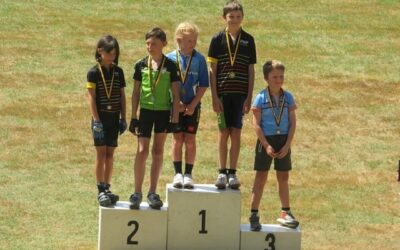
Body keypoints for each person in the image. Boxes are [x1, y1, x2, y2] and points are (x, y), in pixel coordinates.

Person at [129, 27, 180, 209]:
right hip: (145, 112)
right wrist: (133, 117)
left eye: (154, 44)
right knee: (142, 150)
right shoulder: (141, 64)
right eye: (148, 43)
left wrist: (174, 119)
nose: (150, 47)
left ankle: (152, 191)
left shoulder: (171, 65)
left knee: (157, 151)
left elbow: (175, 94)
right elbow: (135, 93)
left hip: (163, 112)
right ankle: (136, 192)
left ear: (164, 44)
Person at [207, 0, 256, 189]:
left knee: (236, 132)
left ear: (242, 17)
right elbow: (213, 69)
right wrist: (214, 96)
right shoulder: (217, 39)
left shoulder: (249, 40)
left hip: (240, 94)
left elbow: (251, 70)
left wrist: (249, 96)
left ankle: (232, 173)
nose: (234, 20)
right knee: (223, 132)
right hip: (223, 93)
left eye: (238, 17)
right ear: (224, 18)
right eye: (231, 17)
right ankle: (221, 172)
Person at [249, 60, 299, 231]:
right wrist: (265, 144)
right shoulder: (260, 98)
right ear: (266, 78)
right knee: (261, 177)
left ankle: (286, 212)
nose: (278, 80)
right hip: (266, 140)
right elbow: (256, 123)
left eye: (281, 76)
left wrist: (287, 145)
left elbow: (293, 123)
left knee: (283, 177)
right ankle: (254, 214)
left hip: (283, 140)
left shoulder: (288, 97)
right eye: (275, 76)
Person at [166, 22, 209, 189]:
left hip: (193, 106)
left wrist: (193, 104)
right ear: (178, 40)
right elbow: (166, 84)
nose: (193, 44)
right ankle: (177, 173)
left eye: (194, 40)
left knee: (190, 139)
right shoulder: (169, 59)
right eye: (189, 41)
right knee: (177, 138)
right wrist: (177, 103)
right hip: (174, 106)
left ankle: (188, 174)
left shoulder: (199, 60)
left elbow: (203, 84)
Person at [86, 35, 127, 207]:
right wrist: (96, 120)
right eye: (108, 53)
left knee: (110, 155)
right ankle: (100, 189)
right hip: (100, 118)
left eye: (114, 53)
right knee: (101, 154)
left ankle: (108, 187)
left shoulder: (119, 72)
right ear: (99, 51)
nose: (111, 56)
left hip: (114, 118)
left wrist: (124, 117)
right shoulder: (93, 72)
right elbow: (91, 97)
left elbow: (122, 96)